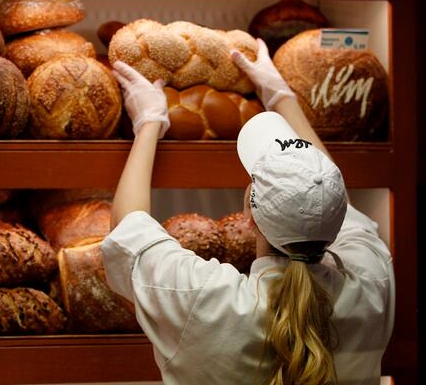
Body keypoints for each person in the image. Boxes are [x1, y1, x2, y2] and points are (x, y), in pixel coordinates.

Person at [102, 39, 395, 385]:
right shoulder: (373, 284)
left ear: (249, 214)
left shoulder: (208, 301)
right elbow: (328, 190)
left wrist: (149, 122)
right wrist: (280, 95)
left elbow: (127, 226)